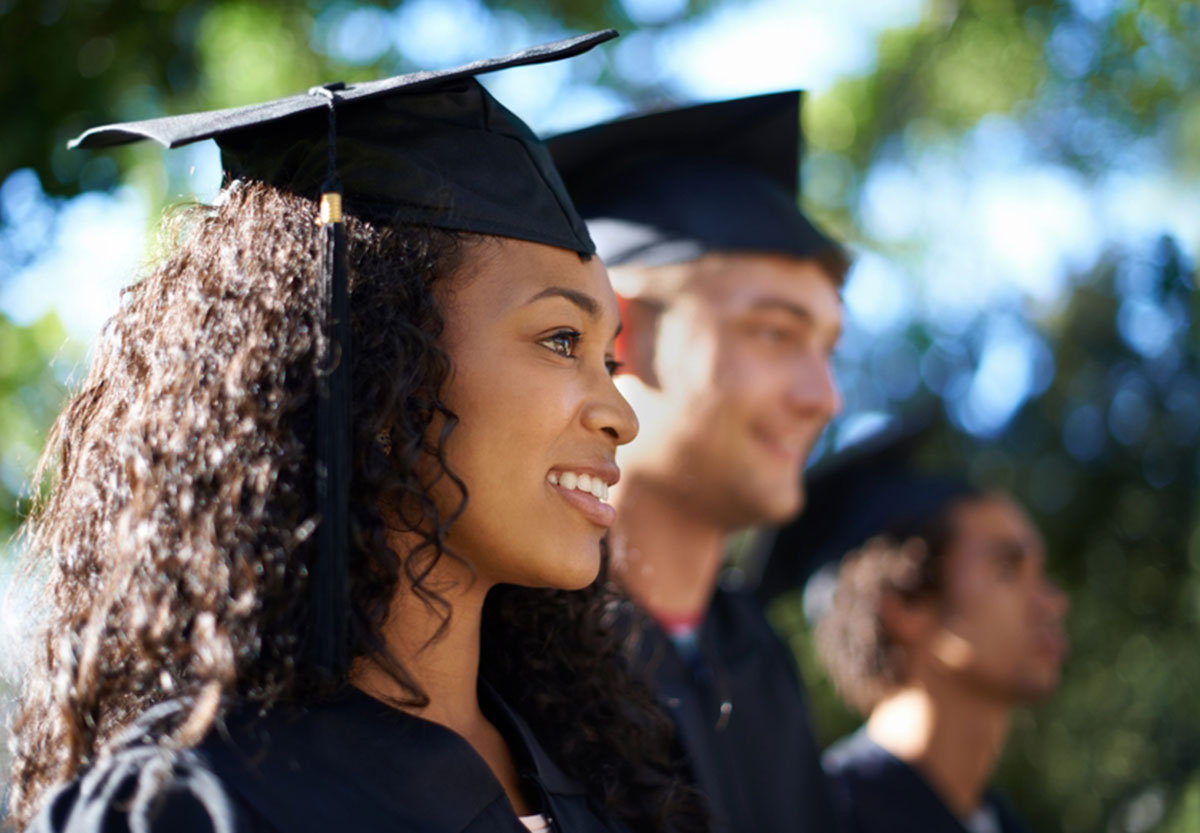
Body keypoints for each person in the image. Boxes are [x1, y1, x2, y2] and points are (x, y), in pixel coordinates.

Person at [8, 32, 707, 833]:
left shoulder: (610, 785)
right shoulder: (196, 802)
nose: (620, 413)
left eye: (609, 359)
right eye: (561, 340)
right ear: (375, 357)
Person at [548, 92, 848, 833]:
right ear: (620, 329)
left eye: (829, 349)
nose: (825, 397)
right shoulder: (509, 644)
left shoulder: (761, 661)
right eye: (776, 332)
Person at [788, 432, 1070, 833]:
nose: (1053, 602)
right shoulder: (820, 818)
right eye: (1008, 570)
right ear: (905, 605)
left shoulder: (998, 820)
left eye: (1040, 573)